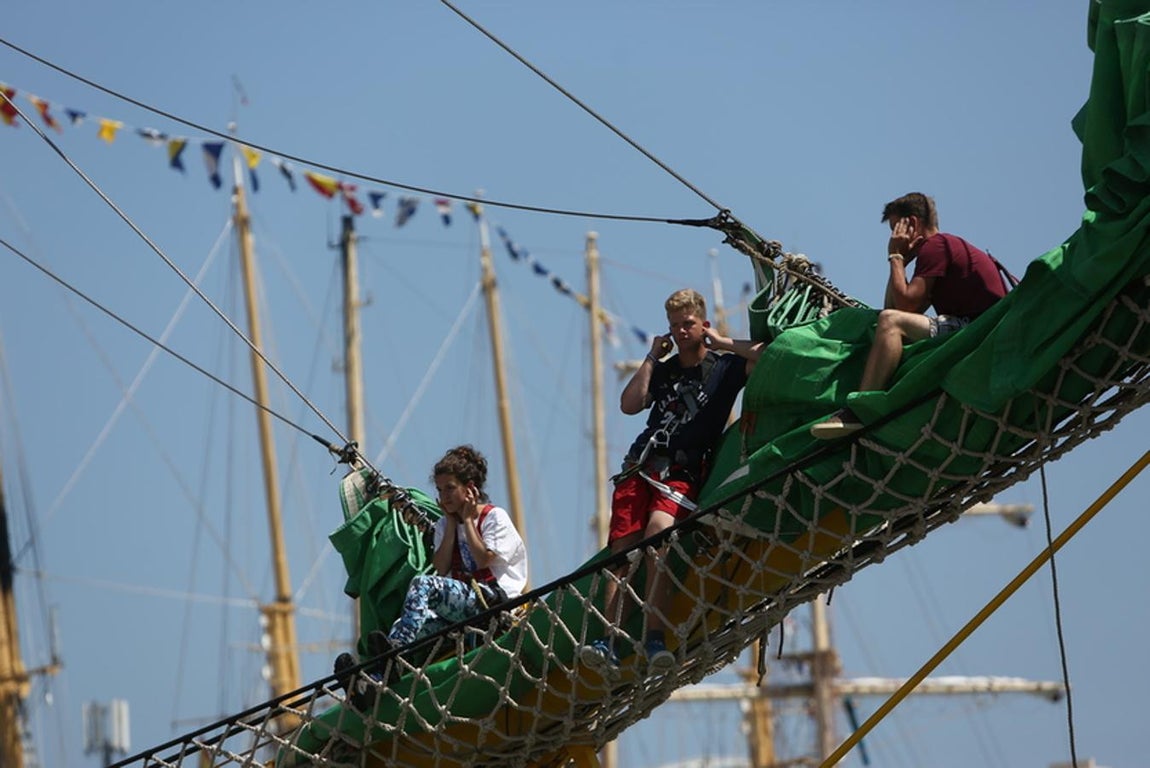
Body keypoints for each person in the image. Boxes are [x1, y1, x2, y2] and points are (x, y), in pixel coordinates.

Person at [579, 288, 763, 675]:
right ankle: (610, 639)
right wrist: (651, 357)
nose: (681, 331)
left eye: (688, 324)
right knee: (622, 555)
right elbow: (629, 404)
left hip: (681, 470)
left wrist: (723, 342)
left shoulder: (725, 368)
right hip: (641, 465)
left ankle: (654, 636)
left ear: (703, 324)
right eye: (675, 326)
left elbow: (765, 355)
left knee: (658, 539)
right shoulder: (664, 371)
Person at [334, 444, 527, 707]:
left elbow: (483, 559)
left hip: (492, 601)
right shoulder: (445, 525)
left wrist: (468, 521)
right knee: (413, 623)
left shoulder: (494, 518)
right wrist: (449, 526)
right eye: (439, 490)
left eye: (450, 488)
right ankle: (375, 680)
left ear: (469, 488)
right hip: (465, 607)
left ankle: (392, 656)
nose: (443, 496)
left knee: (422, 585)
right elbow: (441, 567)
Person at [810, 192, 1009, 439]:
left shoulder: (937, 246)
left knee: (890, 324)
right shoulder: (938, 251)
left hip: (979, 327)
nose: (894, 237)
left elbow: (900, 311)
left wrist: (895, 256)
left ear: (911, 224)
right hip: (977, 325)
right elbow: (893, 306)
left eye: (896, 229)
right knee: (888, 321)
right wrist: (901, 262)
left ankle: (858, 410)